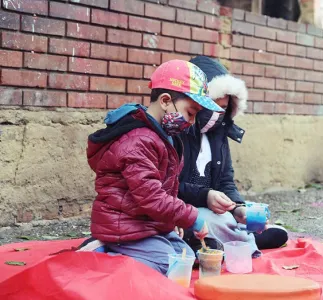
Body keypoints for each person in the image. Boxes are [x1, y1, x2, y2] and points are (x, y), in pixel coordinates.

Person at [84, 60, 224, 275]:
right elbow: (152, 197)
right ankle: (102, 253)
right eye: (190, 112)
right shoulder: (138, 140)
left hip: (148, 224)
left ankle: (124, 252)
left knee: (184, 255)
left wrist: (171, 220)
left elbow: (167, 188)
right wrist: (191, 217)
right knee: (167, 266)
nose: (192, 122)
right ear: (166, 101)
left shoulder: (165, 136)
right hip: (125, 227)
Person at [177, 56, 288, 257]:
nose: (217, 114)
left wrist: (238, 208)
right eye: (213, 106)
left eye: (223, 108)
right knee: (216, 221)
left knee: (227, 219)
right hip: (182, 210)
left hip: (213, 210)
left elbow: (225, 181)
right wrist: (205, 196)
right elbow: (167, 187)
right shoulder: (177, 133)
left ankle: (234, 235)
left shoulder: (219, 134)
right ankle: (240, 239)